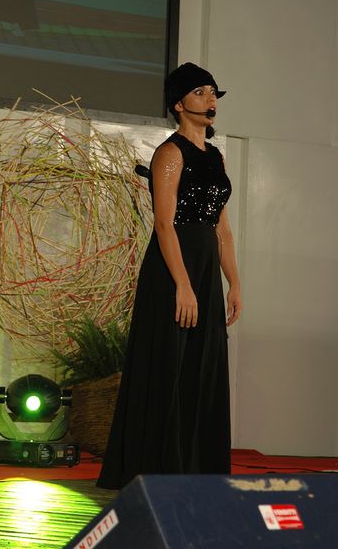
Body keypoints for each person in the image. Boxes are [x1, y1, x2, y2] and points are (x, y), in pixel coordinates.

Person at [96, 62, 242, 490]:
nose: (210, 99)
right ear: (178, 104)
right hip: (173, 268)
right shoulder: (170, 153)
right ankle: (157, 468)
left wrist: (234, 283)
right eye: (200, 92)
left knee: (202, 365)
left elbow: (223, 229)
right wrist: (182, 283)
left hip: (205, 269)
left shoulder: (215, 156)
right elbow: (164, 223)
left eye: (213, 92)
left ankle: (196, 468)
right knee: (169, 364)